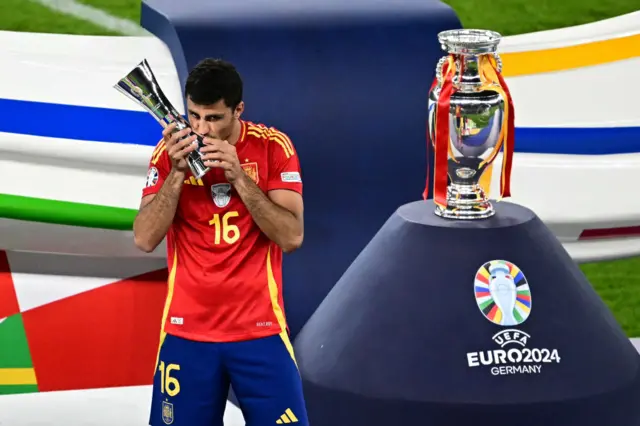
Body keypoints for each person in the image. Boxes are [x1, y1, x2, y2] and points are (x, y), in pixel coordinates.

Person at [133, 58, 309, 426]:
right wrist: (177, 174)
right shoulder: (170, 153)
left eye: (213, 118)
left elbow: (291, 236)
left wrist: (240, 178)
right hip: (187, 331)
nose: (201, 128)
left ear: (238, 110)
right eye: (194, 116)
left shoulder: (272, 147)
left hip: (259, 330)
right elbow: (144, 238)